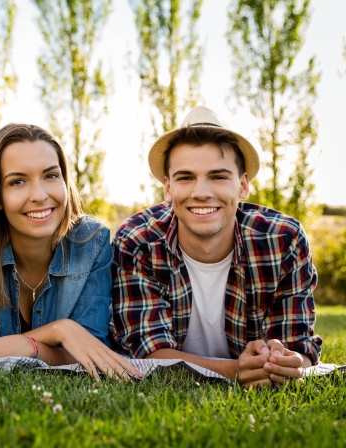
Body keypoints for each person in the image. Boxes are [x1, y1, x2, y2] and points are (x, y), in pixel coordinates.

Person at [111, 105, 322, 388]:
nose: (201, 193)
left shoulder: (284, 239)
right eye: (185, 177)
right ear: (168, 188)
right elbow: (149, 353)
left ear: (243, 186)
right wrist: (236, 369)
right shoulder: (137, 240)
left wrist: (282, 362)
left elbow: (296, 345)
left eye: (218, 176)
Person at [0, 123, 141, 381]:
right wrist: (59, 333)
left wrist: (23, 346)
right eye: (18, 181)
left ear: (65, 181)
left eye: (50, 176)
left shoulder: (92, 242)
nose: (39, 195)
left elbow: (90, 351)